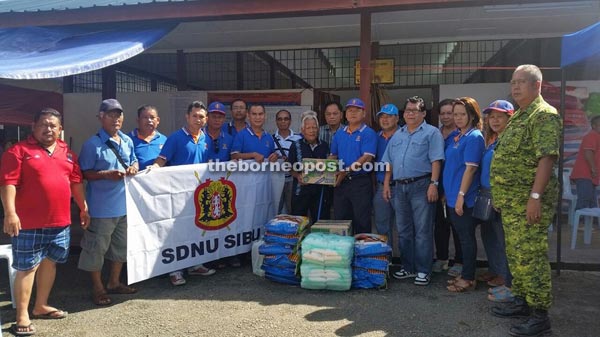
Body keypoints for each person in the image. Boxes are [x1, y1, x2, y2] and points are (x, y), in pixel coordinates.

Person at [1, 108, 90, 336]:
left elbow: (76, 182)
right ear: (33, 126)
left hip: (59, 222)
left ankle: (41, 305)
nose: (48, 129)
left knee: (50, 263)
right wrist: (10, 213)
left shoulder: (67, 153)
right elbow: (8, 183)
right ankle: (22, 314)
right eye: (44, 124)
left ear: (60, 129)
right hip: (28, 223)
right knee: (27, 267)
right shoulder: (18, 151)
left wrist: (83, 207)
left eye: (53, 125)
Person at [490, 64, 561, 337]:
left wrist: (535, 197)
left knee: (531, 257)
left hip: (528, 203)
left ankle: (540, 315)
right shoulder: (519, 116)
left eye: (522, 82)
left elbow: (547, 158)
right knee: (517, 255)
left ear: (537, 85)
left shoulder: (543, 115)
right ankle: (521, 302)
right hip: (511, 202)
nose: (515, 87)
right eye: (513, 82)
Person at [78, 99, 139, 306]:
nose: (116, 119)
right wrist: (105, 174)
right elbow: (84, 173)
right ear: (101, 117)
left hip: (124, 206)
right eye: (111, 114)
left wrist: (133, 167)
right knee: (96, 248)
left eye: (119, 114)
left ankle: (114, 282)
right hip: (101, 208)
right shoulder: (92, 144)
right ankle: (98, 288)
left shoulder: (127, 140)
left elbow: (134, 160)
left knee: (121, 247)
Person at [150, 100, 216, 285]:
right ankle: (175, 270)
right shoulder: (175, 138)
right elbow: (162, 159)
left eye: (201, 117)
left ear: (206, 119)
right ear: (187, 117)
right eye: (194, 116)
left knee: (197, 229)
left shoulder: (206, 138)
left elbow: (207, 163)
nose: (198, 119)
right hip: (179, 194)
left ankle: (195, 265)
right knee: (177, 232)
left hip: (199, 194)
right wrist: (154, 168)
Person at [383, 96, 444, 286]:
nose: (410, 113)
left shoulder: (432, 133)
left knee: (423, 230)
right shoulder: (398, 135)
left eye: (414, 110)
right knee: (403, 230)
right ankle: (407, 268)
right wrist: (386, 184)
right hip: (399, 187)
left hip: (421, 186)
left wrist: (434, 184)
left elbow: (436, 160)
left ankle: (423, 270)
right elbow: (389, 162)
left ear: (423, 113)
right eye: (407, 110)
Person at [444, 97, 485, 293]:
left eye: (462, 114)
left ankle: (469, 278)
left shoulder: (474, 137)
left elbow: (470, 170)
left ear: (472, 115)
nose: (458, 118)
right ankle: (466, 273)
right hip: (452, 196)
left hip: (464, 198)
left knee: (467, 238)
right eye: (455, 114)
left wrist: (461, 196)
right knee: (460, 238)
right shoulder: (456, 136)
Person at [478, 100, 514, 303]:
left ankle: (506, 280)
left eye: (500, 116)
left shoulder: (510, 141)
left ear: (510, 118)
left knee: (503, 240)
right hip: (487, 195)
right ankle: (495, 270)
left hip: (501, 197)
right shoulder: (492, 140)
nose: (495, 120)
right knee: (488, 236)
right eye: (492, 117)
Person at [329, 98, 377, 234]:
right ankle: (345, 254)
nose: (353, 113)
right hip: (341, 183)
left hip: (360, 183)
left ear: (364, 113)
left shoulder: (368, 133)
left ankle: (361, 253)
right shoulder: (339, 134)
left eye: (357, 110)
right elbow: (333, 156)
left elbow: (366, 158)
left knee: (361, 221)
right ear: (345, 114)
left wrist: (347, 171)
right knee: (341, 222)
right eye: (350, 110)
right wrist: (326, 171)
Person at [432, 99, 463, 275]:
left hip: (456, 188)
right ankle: (442, 258)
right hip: (436, 186)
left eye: (449, 113)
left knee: (458, 226)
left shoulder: (462, 134)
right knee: (440, 225)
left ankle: (459, 261)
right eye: (442, 113)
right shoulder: (435, 134)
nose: (445, 116)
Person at [287, 112, 330, 220]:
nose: (312, 130)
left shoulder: (324, 146)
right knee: (299, 223)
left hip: (320, 192)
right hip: (300, 191)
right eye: (308, 128)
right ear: (303, 130)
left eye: (314, 127)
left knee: (320, 222)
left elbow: (330, 167)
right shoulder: (295, 145)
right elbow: (289, 166)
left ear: (318, 129)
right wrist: (297, 176)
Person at [372, 104, 400, 248]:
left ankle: (406, 265)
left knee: (404, 227)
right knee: (382, 226)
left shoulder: (405, 135)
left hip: (402, 187)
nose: (385, 119)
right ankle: (385, 262)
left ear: (397, 118)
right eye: (382, 116)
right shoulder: (376, 137)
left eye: (389, 116)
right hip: (381, 187)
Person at [273, 109, 301, 214]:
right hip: (276, 180)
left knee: (293, 210)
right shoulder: (270, 139)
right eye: (280, 119)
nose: (283, 121)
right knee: (275, 210)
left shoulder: (298, 138)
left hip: (293, 180)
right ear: (276, 121)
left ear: (290, 121)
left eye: (286, 119)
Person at [570, 115, 600, 210]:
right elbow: (588, 152)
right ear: (594, 126)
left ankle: (587, 223)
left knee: (592, 203)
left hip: (590, 176)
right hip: (585, 174)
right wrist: (593, 168)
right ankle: (578, 223)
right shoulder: (592, 135)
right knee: (584, 200)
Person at [128, 105, 167, 170]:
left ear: (158, 120)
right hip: (136, 179)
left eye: (152, 117)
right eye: (145, 117)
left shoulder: (164, 140)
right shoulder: (128, 140)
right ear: (138, 120)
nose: (149, 120)